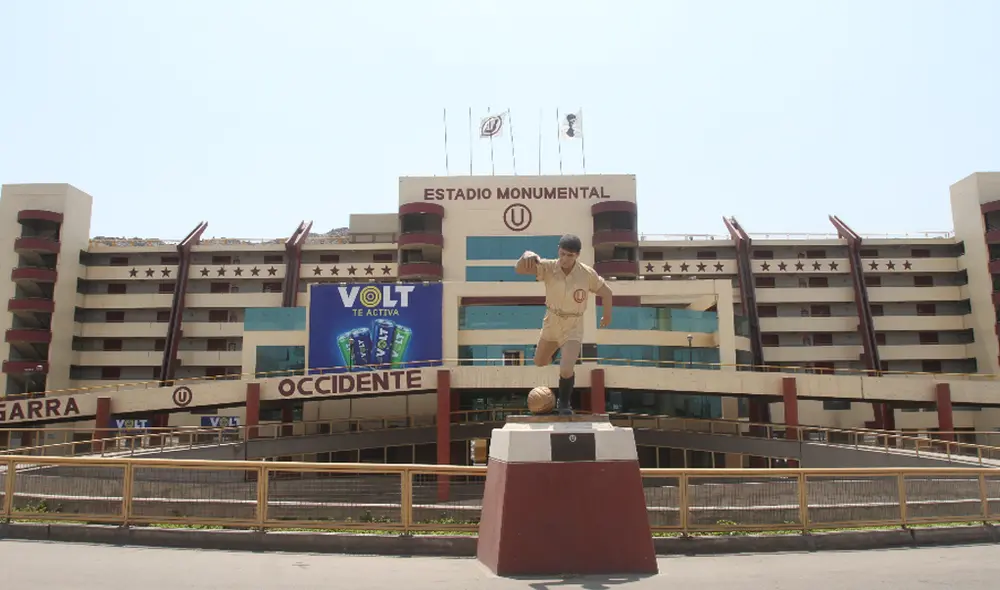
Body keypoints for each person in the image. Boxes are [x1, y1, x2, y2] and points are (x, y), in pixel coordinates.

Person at [514, 234, 612, 414]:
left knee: (566, 369)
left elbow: (607, 293)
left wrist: (607, 316)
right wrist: (526, 255)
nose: (565, 259)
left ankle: (564, 404)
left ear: (577, 255)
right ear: (558, 250)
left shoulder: (586, 274)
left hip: (573, 326)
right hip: (551, 322)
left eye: (571, 256)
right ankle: (558, 349)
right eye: (563, 253)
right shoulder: (548, 267)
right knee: (539, 362)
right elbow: (519, 269)